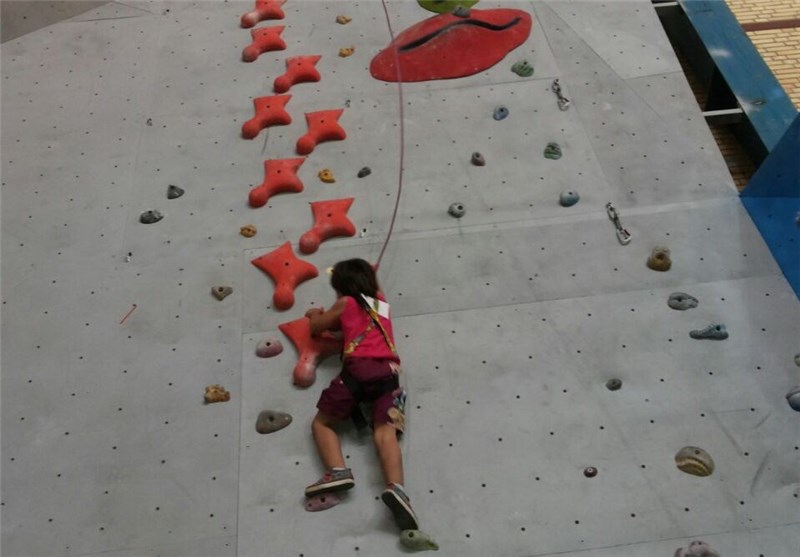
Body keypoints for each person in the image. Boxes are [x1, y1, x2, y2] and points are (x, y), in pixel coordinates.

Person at [303, 258, 418, 530]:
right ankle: (397, 488)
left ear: (341, 288)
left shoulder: (346, 303)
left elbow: (318, 327)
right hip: (390, 375)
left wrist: (313, 315)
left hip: (359, 370)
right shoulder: (382, 303)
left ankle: (338, 470)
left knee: (322, 423)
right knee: (385, 433)